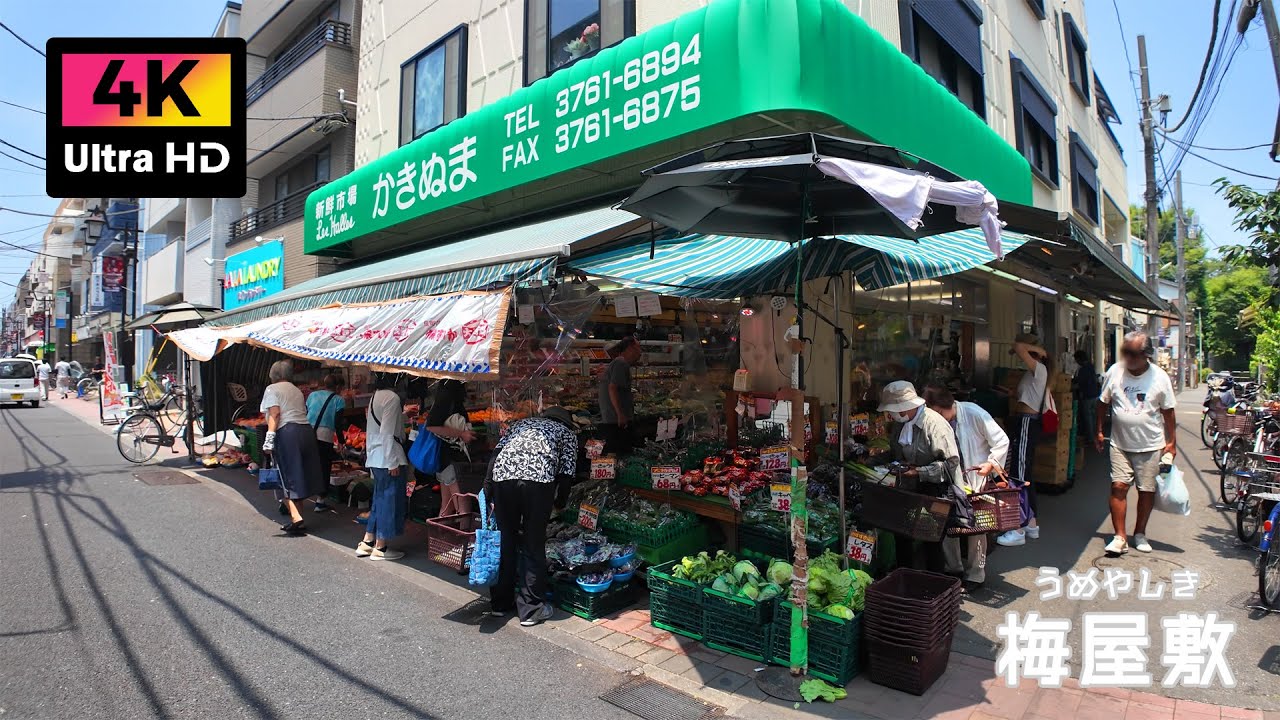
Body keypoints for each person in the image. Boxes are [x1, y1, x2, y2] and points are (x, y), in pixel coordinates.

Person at [488, 407, 586, 626]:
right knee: (533, 543)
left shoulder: (521, 424)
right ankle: (531, 609)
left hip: (503, 477)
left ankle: (500, 604)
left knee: (507, 540)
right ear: (567, 422)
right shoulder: (566, 433)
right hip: (538, 481)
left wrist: (488, 488)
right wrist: (560, 502)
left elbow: (496, 453)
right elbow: (566, 472)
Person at [1096, 331, 1177, 555]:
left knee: (1146, 491)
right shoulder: (1115, 371)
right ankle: (1120, 537)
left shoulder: (1160, 377)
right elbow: (1102, 403)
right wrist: (1099, 431)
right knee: (1118, 486)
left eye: (1133, 353)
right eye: (1126, 352)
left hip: (1151, 445)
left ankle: (1139, 533)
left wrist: (1172, 443)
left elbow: (1168, 412)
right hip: (1120, 444)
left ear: (1146, 355)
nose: (1128, 358)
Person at [924, 384, 1010, 592]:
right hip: (950, 479)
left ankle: (976, 575)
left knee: (976, 529)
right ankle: (953, 569)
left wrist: (991, 463)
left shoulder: (974, 413)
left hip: (974, 480)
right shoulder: (937, 421)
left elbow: (1001, 440)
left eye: (937, 413)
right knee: (948, 525)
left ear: (941, 408)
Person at [879, 380, 963, 574]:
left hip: (934, 491)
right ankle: (905, 578)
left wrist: (918, 471)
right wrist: (871, 460)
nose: (890, 415)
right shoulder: (900, 425)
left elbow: (950, 464)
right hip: (908, 489)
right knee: (902, 536)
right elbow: (894, 453)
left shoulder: (934, 424)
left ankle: (933, 585)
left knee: (930, 540)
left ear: (905, 408)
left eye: (892, 410)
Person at [260, 360, 325, 535]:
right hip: (305, 431)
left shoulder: (272, 389)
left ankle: (296, 518)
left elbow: (275, 413)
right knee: (298, 474)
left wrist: (269, 437)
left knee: (284, 474)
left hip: (287, 432)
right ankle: (298, 517)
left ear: (274, 375)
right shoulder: (296, 390)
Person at [996, 333, 1049, 547]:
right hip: (1024, 421)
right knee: (1024, 474)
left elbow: (1018, 346)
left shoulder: (1039, 369)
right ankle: (1031, 523)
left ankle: (1017, 528)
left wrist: (1038, 351)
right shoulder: (1032, 372)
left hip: (1028, 422)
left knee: (1017, 475)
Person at [357, 374, 410, 561]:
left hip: (375, 456)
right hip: (387, 457)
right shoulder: (392, 398)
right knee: (389, 501)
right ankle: (381, 547)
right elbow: (387, 432)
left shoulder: (376, 396)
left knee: (379, 499)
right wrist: (392, 461)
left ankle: (368, 541)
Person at [425, 379, 477, 516]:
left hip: (445, 460)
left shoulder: (446, 398)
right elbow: (431, 426)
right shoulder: (447, 399)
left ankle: (440, 536)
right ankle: (464, 537)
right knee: (463, 508)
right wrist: (461, 433)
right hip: (452, 460)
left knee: (447, 507)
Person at [306, 373, 347, 507]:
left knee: (309, 465)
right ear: (338, 386)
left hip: (308, 433)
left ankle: (300, 496)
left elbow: (306, 412)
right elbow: (338, 424)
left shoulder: (312, 395)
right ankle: (320, 501)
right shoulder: (338, 400)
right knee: (324, 467)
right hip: (324, 436)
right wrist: (341, 442)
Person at [598, 336, 641, 455]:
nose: (640, 352)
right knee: (621, 453)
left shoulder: (617, 363)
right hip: (616, 420)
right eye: (638, 348)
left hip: (612, 419)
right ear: (630, 348)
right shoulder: (621, 363)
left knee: (615, 453)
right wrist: (620, 414)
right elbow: (612, 388)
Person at [1073, 350, 1101, 438]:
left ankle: (1090, 437)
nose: (1076, 362)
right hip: (1095, 394)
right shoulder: (1091, 366)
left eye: (1076, 360)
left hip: (1087, 395)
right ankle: (1095, 434)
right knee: (1093, 416)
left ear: (1079, 359)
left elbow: (1079, 382)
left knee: (1087, 417)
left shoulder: (1082, 369)